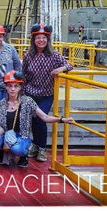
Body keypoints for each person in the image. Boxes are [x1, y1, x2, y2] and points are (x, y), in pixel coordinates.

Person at [0, 70, 74, 168]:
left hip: (21, 136)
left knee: (17, 149)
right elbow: (2, 125)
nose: (12, 89)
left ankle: (24, 156)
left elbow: (44, 117)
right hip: (8, 135)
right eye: (10, 86)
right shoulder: (2, 104)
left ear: (20, 87)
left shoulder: (27, 101)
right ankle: (5, 150)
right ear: (6, 87)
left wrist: (62, 119)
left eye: (16, 86)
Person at [22, 23, 73, 162]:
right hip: (31, 93)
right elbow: (24, 74)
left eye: (44, 37)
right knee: (33, 119)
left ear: (48, 39)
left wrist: (61, 69)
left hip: (47, 94)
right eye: (38, 38)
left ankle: (42, 148)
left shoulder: (54, 55)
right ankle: (35, 145)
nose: (41, 40)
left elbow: (70, 65)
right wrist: (22, 92)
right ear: (33, 40)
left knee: (40, 118)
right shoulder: (28, 56)